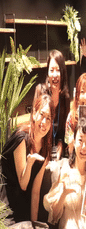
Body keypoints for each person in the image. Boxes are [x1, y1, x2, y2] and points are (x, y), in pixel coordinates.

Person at [1, 93, 53, 222]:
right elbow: (23, 184)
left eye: (49, 118)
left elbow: (35, 192)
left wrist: (34, 225)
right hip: (5, 198)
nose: (44, 122)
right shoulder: (21, 139)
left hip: (21, 199)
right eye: (42, 115)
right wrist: (29, 163)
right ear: (34, 113)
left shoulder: (45, 150)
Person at [46, 49, 70, 160]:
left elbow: (64, 132)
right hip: (42, 151)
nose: (54, 75)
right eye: (51, 70)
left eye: (58, 70)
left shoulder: (65, 98)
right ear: (47, 73)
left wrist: (60, 143)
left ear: (63, 73)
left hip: (58, 155)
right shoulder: (42, 94)